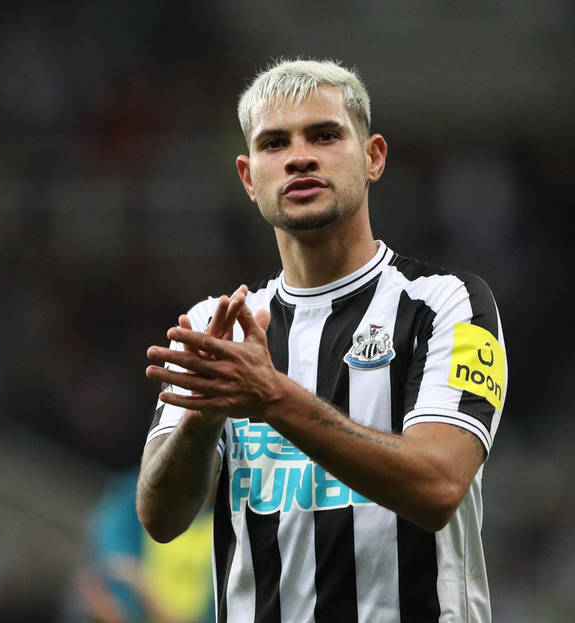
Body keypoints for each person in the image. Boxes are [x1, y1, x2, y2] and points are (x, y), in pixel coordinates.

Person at [138, 59, 508, 623]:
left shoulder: (447, 304)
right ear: (248, 178)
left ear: (373, 157)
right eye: (274, 143)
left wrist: (271, 397)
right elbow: (160, 518)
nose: (299, 157)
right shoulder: (217, 327)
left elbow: (437, 486)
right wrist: (203, 417)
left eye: (325, 135)